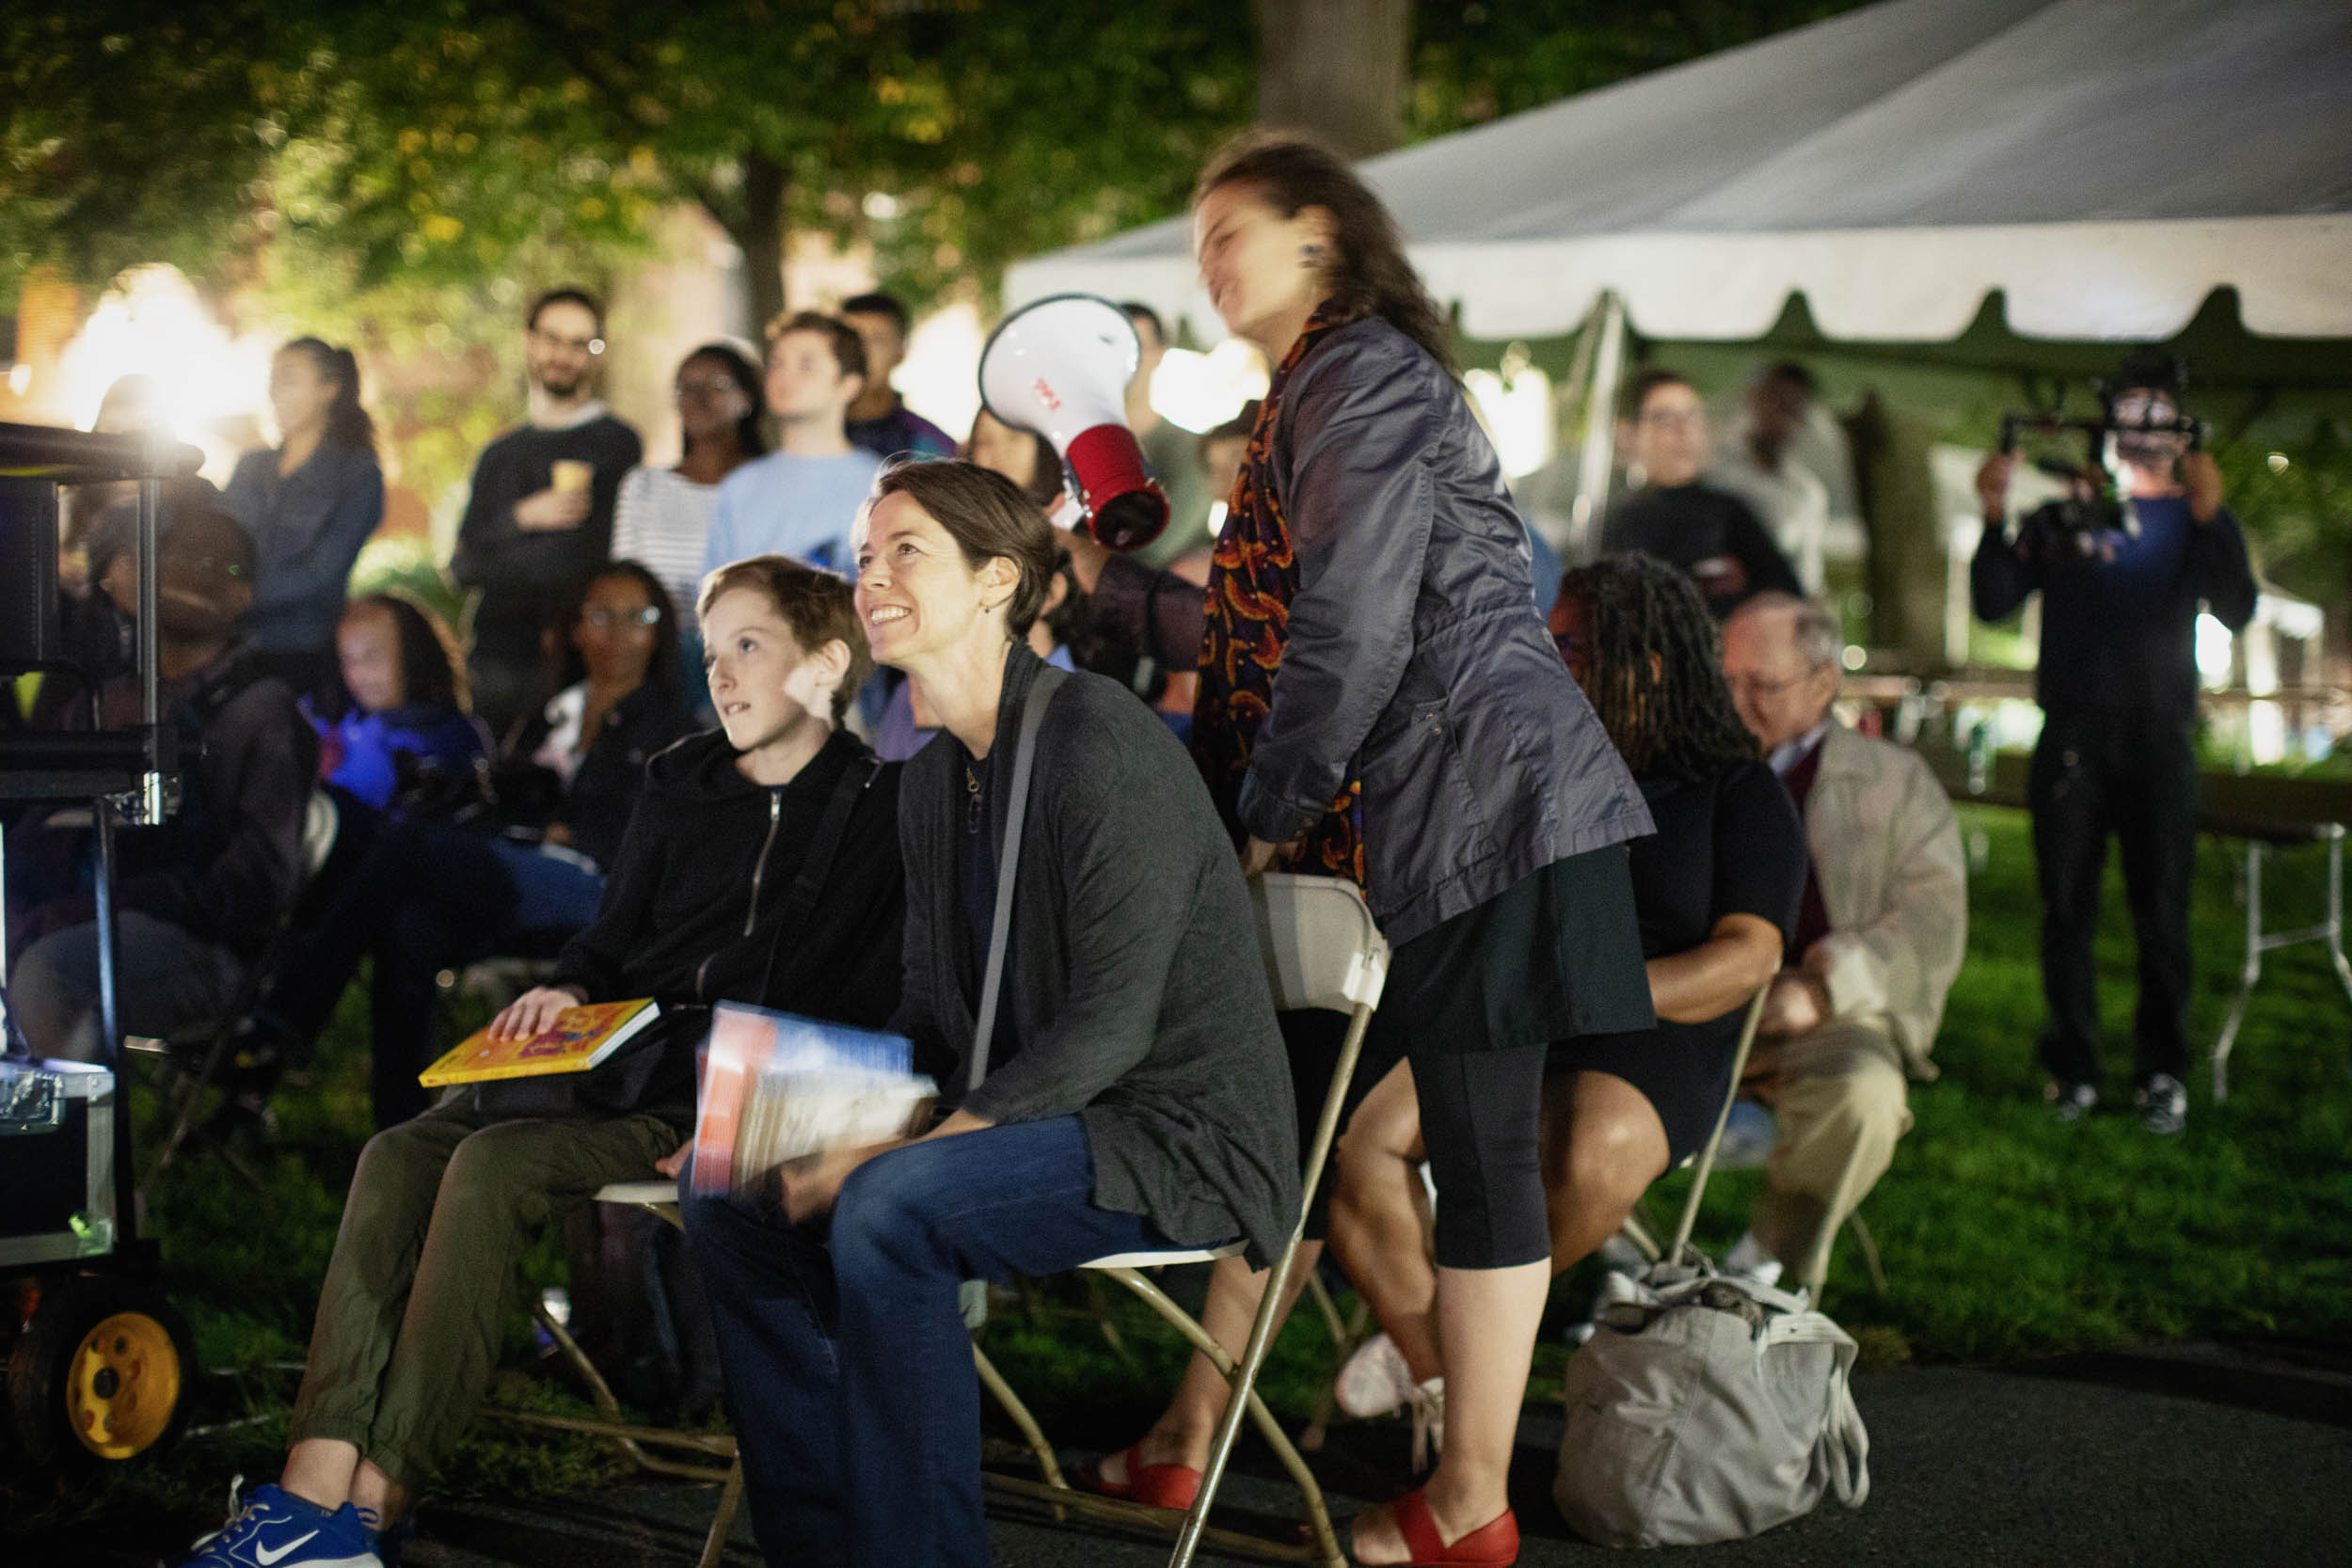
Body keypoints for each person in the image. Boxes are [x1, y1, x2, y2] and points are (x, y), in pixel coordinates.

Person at [1101, 133, 1656, 1568]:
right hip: (1395, 818)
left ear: (1325, 238)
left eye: (1238, 229)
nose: (1210, 259)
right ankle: (1185, 1435)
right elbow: (1254, 622)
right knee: (1273, 1123)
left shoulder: (1361, 376)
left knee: (1475, 1151)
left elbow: (1349, 620)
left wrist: (1264, 812)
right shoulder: (1312, 387)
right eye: (1199, 235)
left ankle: (1470, 1498)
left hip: (1480, 805)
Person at [167, 560, 904, 1568]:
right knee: (395, 1152)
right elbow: (606, 940)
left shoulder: (874, 809)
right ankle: (313, 1486)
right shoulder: (676, 779)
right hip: (601, 1055)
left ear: (825, 666)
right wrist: (563, 987)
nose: (721, 672)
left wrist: (764, 1105)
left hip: (706, 1091)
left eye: (749, 646)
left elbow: (862, 996)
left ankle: (374, 1507)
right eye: (715, 645)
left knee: (489, 1167)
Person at [682, 459, 1299, 1567]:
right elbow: (929, 1015)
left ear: (997, 580)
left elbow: (1112, 1026)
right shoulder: (930, 772)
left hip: (1170, 1131)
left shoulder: (1097, 739)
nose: (870, 576)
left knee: (887, 1207)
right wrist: (788, 1111)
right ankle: (822, 1545)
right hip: (1034, 1110)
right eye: (864, 556)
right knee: (726, 1174)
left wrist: (903, 1147)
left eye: (906, 550)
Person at [1319, 555, 1805, 1454]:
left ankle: (1437, 1376)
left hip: (1657, 1030)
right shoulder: (1526, 767)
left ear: (1646, 664)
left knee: (1595, 1145)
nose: (1550, 652)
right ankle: (1443, 1370)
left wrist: (1595, 993)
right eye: (1552, 632)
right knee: (1357, 1142)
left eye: (1574, 641)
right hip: (1515, 1004)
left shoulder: (1735, 790)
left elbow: (1750, 956)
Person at [231, 562, 695, 1130]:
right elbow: (502, 801)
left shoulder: (673, 729)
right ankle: (401, 1127)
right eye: (601, 616)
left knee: (406, 845)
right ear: (575, 628)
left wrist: (560, 827)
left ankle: (280, 1023)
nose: (619, 632)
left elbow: (650, 838)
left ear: (659, 631)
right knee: (410, 927)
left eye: (638, 617)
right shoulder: (550, 715)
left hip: (595, 891)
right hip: (512, 875)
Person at [1972, 352, 2256, 1133]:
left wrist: (2210, 516)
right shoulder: (2069, 513)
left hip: (2161, 739)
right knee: (2067, 907)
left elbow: (2237, 606)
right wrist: (1993, 516)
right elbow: (1993, 599)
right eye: (2130, 411)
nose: (2143, 428)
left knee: (2162, 909)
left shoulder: (2194, 518)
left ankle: (2162, 1069)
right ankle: (2074, 1066)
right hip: (2071, 738)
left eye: (2158, 412)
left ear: (2181, 424)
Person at [1717, 591, 1966, 1291]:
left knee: (1864, 1093)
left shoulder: (1894, 783)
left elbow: (1931, 918)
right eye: (1727, 680)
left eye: (1761, 685)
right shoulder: (1700, 767)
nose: (1737, 702)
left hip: (1813, 1018)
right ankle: (1603, 1265)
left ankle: (1757, 1272)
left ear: (1824, 681)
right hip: (1692, 1009)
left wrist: (1827, 987)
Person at [8, 509, 315, 1062]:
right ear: (137, 577)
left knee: (51, 975)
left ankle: (73, 1141)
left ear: (245, 595)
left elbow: (251, 894)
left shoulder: (259, 714)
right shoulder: (111, 695)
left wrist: (97, 906)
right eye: (174, 558)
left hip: (202, 952)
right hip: (73, 912)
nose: (196, 577)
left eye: (221, 566)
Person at [449, 287, 644, 740]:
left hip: (576, 658)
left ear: (597, 356)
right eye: (553, 338)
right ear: (529, 342)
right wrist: (523, 518)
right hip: (495, 658)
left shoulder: (616, 443)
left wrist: (502, 550)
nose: (564, 354)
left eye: (581, 343)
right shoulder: (499, 454)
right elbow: (461, 566)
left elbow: (592, 560)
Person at [223, 338, 387, 704]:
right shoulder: (251, 467)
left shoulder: (357, 473)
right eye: (273, 380)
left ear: (329, 389)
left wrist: (241, 595)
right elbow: (219, 540)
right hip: (230, 649)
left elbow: (324, 569)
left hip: (304, 653)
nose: (276, 391)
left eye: (290, 378)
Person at [611, 341, 768, 703]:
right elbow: (624, 583)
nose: (697, 398)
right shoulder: (643, 486)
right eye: (686, 387)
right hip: (660, 667)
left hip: (749, 667)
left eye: (714, 385)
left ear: (747, 399)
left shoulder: (770, 487)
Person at [1598, 367, 1800, 619]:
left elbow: (1786, 595)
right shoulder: (1611, 522)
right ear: (1627, 434)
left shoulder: (1729, 514)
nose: (1684, 432)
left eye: (1692, 417)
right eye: (1666, 419)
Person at [699, 311, 883, 578]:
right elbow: (712, 596)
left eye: (806, 365)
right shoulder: (739, 487)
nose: (786, 376)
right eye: (776, 364)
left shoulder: (882, 484)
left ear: (849, 385)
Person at [313, 594, 488, 815]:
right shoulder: (337, 723)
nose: (358, 673)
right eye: (348, 660)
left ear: (413, 653)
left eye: (372, 655)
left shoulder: (450, 736)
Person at [1706, 361, 1835, 596]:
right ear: (1753, 398)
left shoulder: (1807, 493)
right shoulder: (1709, 467)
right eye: (1776, 401)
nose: (1783, 417)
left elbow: (1807, 577)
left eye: (1794, 409)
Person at [1120, 300, 1215, 568]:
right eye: (1115, 347)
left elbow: (1154, 554)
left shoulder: (1190, 449)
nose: (1127, 360)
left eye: (1138, 347)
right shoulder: (1075, 447)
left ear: (1160, 354)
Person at [840, 290, 957, 461]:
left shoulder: (928, 447)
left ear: (901, 350)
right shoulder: (804, 432)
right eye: (852, 340)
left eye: (876, 341)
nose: (861, 352)